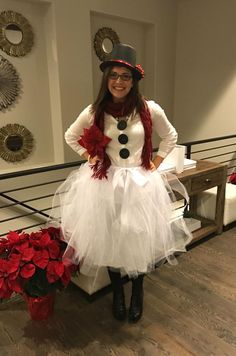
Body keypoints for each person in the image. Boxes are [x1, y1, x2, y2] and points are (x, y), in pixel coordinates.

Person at [52, 43, 192, 323]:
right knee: (113, 242)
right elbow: (70, 135)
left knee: (137, 239)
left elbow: (171, 137)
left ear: (134, 80)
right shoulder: (95, 111)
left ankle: (137, 292)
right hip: (105, 184)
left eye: (125, 76)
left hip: (140, 184)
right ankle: (118, 293)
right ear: (107, 79)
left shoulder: (149, 109)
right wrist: (89, 155)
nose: (119, 81)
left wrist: (156, 163)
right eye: (114, 75)